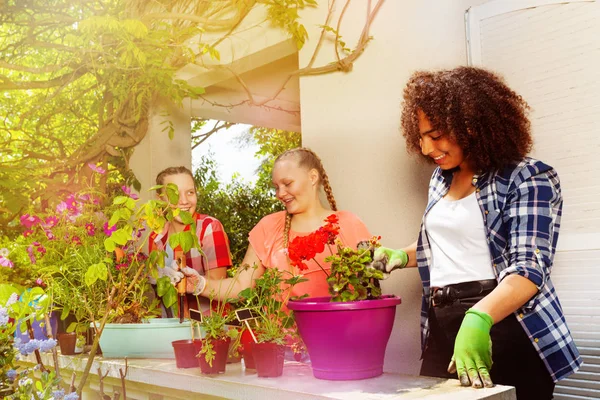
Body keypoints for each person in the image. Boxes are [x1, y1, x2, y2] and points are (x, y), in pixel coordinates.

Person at [372, 66, 581, 399]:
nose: (426, 148)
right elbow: (450, 244)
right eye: (421, 136)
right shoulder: (441, 180)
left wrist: (480, 317)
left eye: (436, 134)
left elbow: (528, 268)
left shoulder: (528, 177)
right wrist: (399, 256)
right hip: (442, 326)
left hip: (505, 324)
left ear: (470, 125)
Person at [187, 147, 371, 301]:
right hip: (283, 343)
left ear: (313, 177)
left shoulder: (348, 224)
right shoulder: (268, 227)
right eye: (276, 187)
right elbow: (240, 286)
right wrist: (200, 284)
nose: (280, 193)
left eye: (287, 183)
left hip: (340, 339)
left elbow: (370, 284)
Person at [148, 166, 232, 315]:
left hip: (208, 327)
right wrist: (155, 276)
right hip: (169, 325)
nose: (184, 201)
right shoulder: (156, 237)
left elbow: (219, 289)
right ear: (160, 199)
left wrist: (194, 282)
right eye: (174, 194)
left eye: (190, 192)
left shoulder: (208, 228)